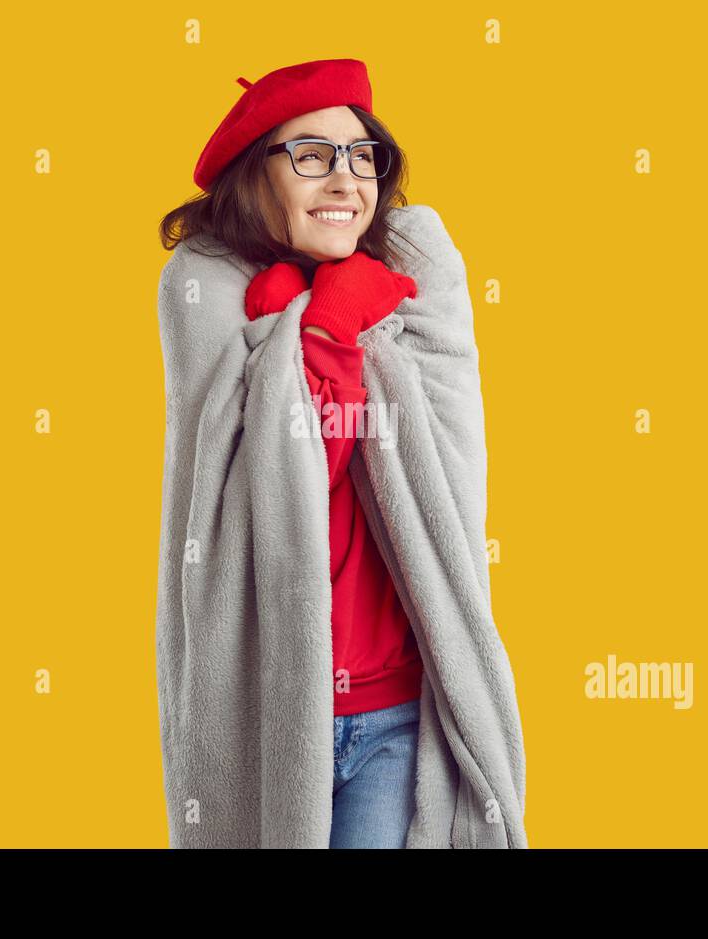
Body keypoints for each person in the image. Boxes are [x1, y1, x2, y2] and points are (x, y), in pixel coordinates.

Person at [155, 58, 527, 849]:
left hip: (395, 715)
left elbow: (449, 473)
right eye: (312, 155)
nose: (344, 180)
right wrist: (323, 331)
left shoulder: (412, 276)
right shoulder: (207, 289)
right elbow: (274, 493)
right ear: (258, 178)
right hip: (272, 713)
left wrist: (326, 324)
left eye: (362, 156)